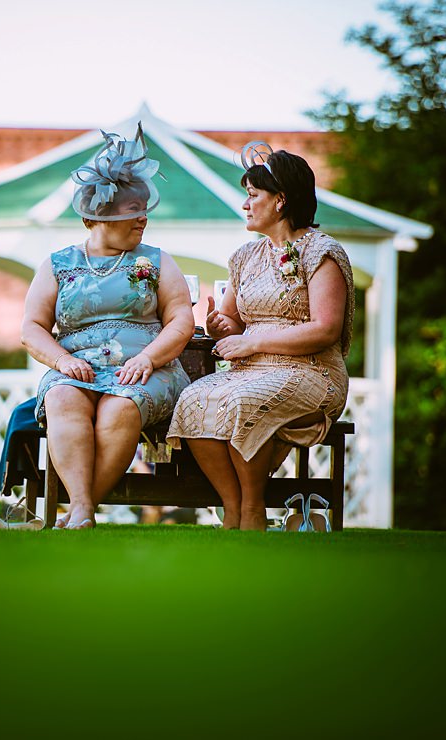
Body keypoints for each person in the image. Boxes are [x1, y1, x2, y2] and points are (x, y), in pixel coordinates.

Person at [166, 142, 355, 530]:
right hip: (250, 369)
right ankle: (233, 506)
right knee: (191, 400)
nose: (245, 205)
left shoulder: (322, 253)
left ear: (281, 200)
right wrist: (224, 327)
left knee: (242, 402)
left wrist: (250, 342)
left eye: (253, 195)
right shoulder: (245, 257)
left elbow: (325, 329)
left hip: (312, 372)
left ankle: (253, 508)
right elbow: (233, 320)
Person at [21, 124, 194, 530]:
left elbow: (181, 319)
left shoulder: (156, 260)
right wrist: (62, 362)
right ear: (100, 216)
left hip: (147, 370)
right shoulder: (57, 265)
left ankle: (80, 509)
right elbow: (31, 327)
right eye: (134, 211)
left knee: (120, 406)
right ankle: (82, 508)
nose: (143, 220)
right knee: (62, 399)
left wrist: (149, 360)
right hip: (76, 368)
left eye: (144, 210)